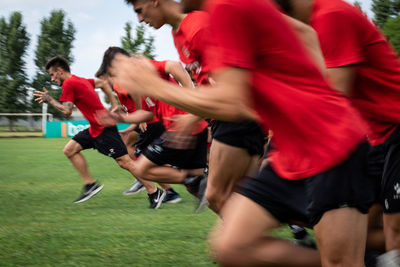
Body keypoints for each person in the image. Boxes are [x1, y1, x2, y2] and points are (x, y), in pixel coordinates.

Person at [107, 0, 377, 265]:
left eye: (140, 11)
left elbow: (233, 102)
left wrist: (152, 86)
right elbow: (304, 33)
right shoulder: (223, 11)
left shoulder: (221, 10)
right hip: (290, 147)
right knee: (232, 247)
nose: (140, 19)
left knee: (220, 200)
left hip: (329, 144)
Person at [273, 0, 400, 265]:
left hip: (396, 129)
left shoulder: (331, 15)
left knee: (394, 230)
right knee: (357, 232)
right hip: (375, 138)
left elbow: (334, 96)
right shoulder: (308, 28)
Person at [124, 0, 266, 217]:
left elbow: (229, 86)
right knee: (249, 194)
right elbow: (206, 81)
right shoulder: (177, 32)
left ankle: (245, 244)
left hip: (235, 115)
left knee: (217, 196)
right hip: (221, 115)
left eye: (140, 11)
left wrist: (192, 112)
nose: (140, 20)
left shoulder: (197, 26)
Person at [33, 56, 166, 209]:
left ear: (60, 71)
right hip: (95, 128)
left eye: (52, 74)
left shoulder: (69, 83)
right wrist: (114, 104)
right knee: (70, 149)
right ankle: (90, 184)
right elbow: (102, 83)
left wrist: (49, 99)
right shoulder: (80, 80)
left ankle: (153, 191)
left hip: (104, 129)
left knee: (125, 162)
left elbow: (67, 111)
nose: (52, 78)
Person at [96, 47, 209, 211]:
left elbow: (173, 66)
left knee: (141, 168)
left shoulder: (144, 67)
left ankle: (189, 179)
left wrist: (192, 100)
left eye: (113, 73)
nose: (115, 78)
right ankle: (231, 213)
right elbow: (147, 114)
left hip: (183, 128)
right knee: (199, 191)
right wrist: (121, 118)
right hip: (185, 130)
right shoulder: (137, 85)